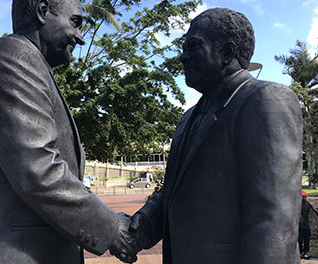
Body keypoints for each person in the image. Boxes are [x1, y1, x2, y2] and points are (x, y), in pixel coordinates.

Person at [0, 0, 135, 263]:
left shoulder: (36, 67)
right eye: (75, 22)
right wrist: (112, 229)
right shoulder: (12, 56)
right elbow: (38, 169)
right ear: (42, 11)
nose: (80, 38)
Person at [121, 8, 303, 264]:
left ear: (227, 52)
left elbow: (274, 221)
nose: (183, 57)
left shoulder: (265, 101)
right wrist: (138, 229)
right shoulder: (187, 118)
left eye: (194, 47)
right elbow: (171, 195)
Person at [299, 190, 318, 259]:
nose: (304, 198)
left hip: (306, 224)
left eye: (304, 197)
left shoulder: (308, 204)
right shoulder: (297, 205)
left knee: (307, 239)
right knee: (300, 239)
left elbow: (315, 211)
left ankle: (305, 253)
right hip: (299, 225)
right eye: (302, 197)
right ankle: (300, 253)